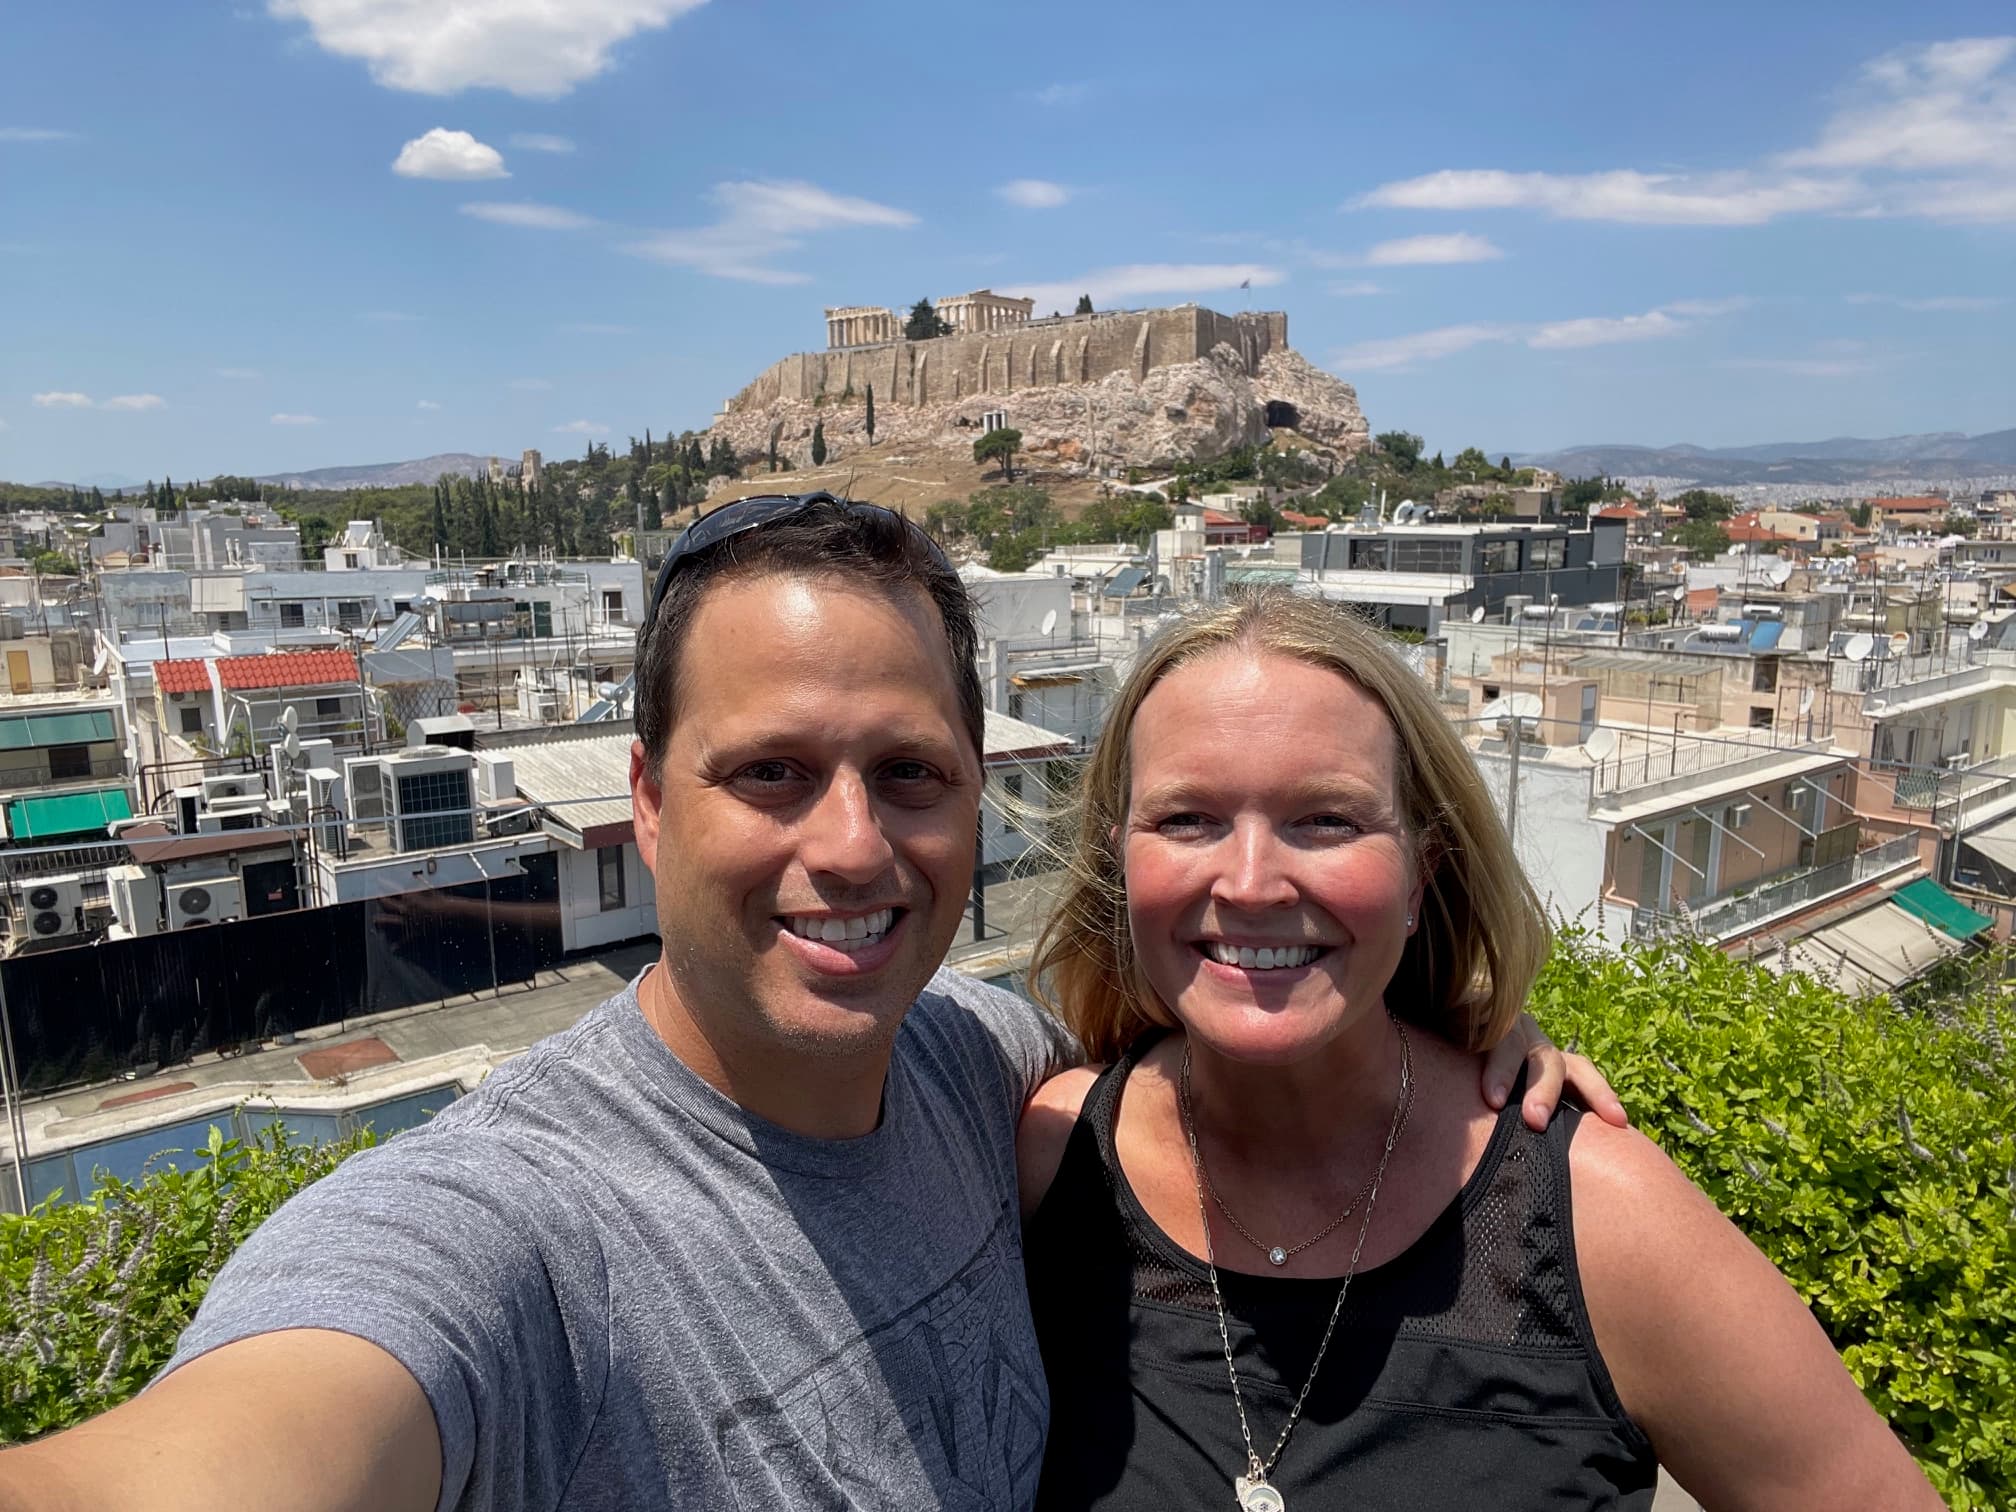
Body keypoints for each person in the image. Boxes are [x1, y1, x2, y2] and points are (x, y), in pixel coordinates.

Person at [0, 496, 1609, 1512]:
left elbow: (1177, 1009)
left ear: (978, 797)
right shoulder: (496, 1239)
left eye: (908, 776)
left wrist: (1452, 1021)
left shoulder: (983, 1066)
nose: (850, 848)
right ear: (642, 800)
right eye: (769, 773)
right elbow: (235, 1448)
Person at [1016, 589, 1941, 1512]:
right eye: (1187, 820)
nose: (1252, 882)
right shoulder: (1047, 1162)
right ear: (1119, 861)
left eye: (1327, 820)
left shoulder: (1599, 1221)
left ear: (1424, 870)